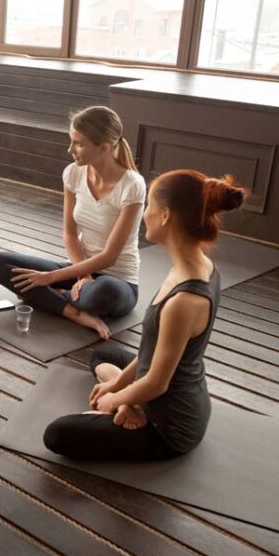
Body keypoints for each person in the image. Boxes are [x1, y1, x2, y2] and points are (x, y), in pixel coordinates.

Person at [42, 170, 246, 460]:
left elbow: (156, 383)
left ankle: (135, 410)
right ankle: (132, 406)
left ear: (165, 216)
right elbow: (153, 349)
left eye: (149, 206)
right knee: (102, 355)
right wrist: (118, 387)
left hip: (170, 426)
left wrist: (113, 400)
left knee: (57, 434)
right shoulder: (195, 265)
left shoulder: (185, 300)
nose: (145, 214)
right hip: (173, 388)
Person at [0, 106, 145, 339]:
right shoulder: (73, 173)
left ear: (104, 148)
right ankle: (73, 311)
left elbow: (110, 256)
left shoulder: (132, 185)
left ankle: (48, 295)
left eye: (79, 144)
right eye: (71, 141)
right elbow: (70, 234)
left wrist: (48, 279)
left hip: (118, 281)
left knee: (102, 293)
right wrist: (83, 276)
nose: (70, 149)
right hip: (79, 271)